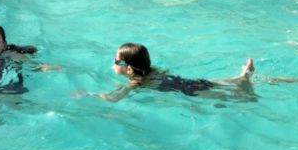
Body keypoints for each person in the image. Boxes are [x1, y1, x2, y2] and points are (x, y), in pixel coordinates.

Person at [94, 43, 256, 102]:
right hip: (183, 81)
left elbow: (114, 98)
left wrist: (92, 94)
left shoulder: (136, 82)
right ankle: (240, 77)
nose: (113, 62)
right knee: (212, 83)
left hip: (184, 90)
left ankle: (244, 93)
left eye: (117, 61)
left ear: (129, 69)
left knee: (222, 96)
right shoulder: (152, 69)